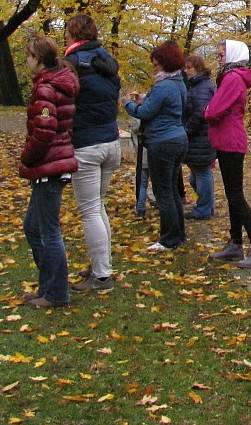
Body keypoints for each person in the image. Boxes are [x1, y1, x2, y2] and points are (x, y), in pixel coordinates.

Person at [19, 36, 79, 308]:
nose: (26, 61)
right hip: (54, 162)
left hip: (49, 164)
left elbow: (44, 132)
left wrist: (27, 158)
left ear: (39, 58)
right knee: (33, 226)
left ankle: (56, 293)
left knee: (48, 230)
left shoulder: (46, 89)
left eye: (29, 56)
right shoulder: (52, 84)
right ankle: (49, 285)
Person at [64, 14, 121, 292]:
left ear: (72, 35)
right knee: (98, 207)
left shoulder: (73, 64)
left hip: (87, 144)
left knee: (90, 210)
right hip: (111, 142)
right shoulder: (106, 61)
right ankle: (102, 266)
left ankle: (101, 276)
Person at [205, 40, 251, 269]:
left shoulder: (233, 78)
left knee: (235, 195)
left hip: (231, 141)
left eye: (221, 53)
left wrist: (208, 110)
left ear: (232, 54)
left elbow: (214, 110)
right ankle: (235, 243)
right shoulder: (231, 77)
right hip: (226, 141)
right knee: (233, 194)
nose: (218, 57)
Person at [124, 41, 188, 251]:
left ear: (163, 62)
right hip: (178, 138)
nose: (154, 67)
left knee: (163, 192)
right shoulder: (179, 83)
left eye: (156, 64)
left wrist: (128, 104)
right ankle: (178, 234)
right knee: (172, 189)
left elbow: (144, 112)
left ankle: (168, 238)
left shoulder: (163, 86)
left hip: (162, 141)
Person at [183, 54, 216, 220]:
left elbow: (199, 113)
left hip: (201, 137)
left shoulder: (202, 86)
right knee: (196, 175)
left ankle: (205, 207)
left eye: (190, 67)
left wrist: (186, 130)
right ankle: (207, 205)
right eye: (186, 67)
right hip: (200, 136)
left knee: (201, 174)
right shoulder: (197, 85)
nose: (187, 71)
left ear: (198, 68)